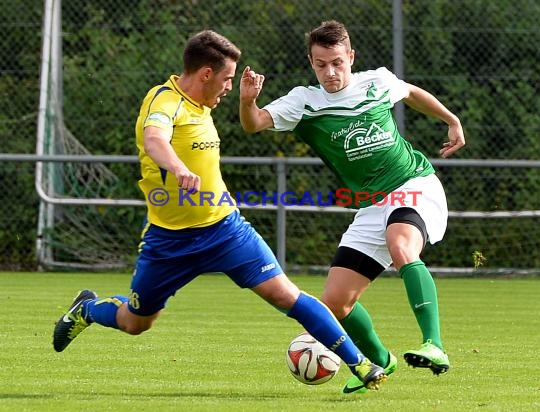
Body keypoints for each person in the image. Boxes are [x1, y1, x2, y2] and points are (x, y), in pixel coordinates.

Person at [52, 29, 387, 390]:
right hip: (169, 241)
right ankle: (86, 310)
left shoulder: (204, 106)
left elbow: (244, 125)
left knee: (285, 294)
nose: (229, 87)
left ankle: (361, 364)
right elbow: (154, 139)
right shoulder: (164, 101)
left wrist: (248, 101)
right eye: (227, 78)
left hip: (225, 230)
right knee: (136, 323)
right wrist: (179, 168)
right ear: (206, 74)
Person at [239, 20, 465, 394]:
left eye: (337, 62)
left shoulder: (375, 81)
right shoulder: (304, 102)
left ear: (351, 57)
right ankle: (381, 359)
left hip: (413, 185)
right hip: (370, 206)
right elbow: (255, 124)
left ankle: (435, 345)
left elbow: (409, 92)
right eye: (321, 63)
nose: (330, 72)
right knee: (335, 305)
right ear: (311, 63)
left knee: (402, 246)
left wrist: (451, 120)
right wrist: (248, 101)